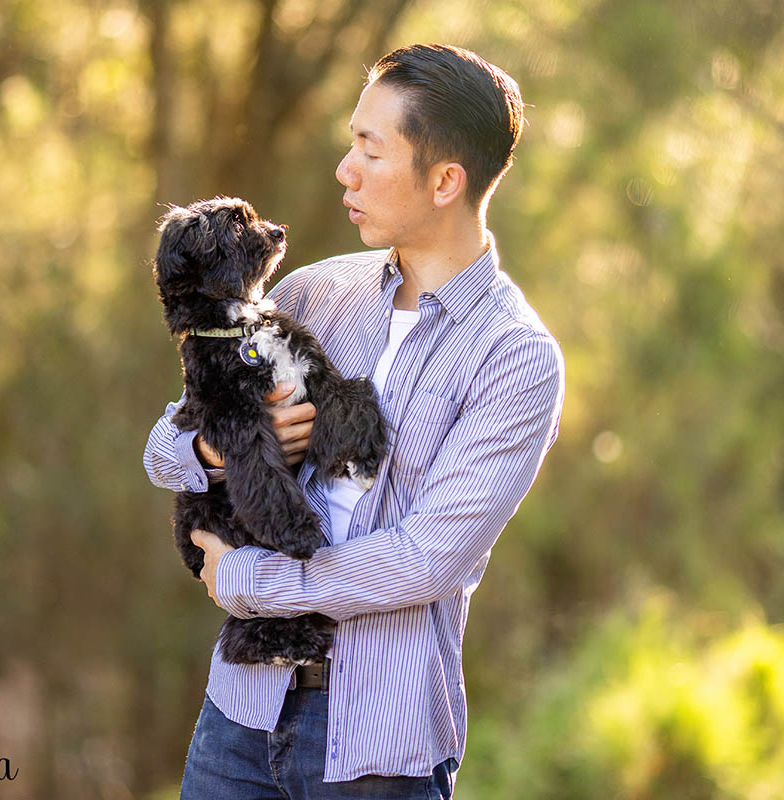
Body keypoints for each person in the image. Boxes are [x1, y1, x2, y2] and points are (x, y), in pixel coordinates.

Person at [144, 42, 564, 800]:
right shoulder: (311, 295)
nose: (346, 169)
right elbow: (164, 446)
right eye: (350, 143)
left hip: (379, 746)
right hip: (239, 712)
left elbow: (425, 559)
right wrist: (221, 446)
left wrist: (249, 579)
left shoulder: (517, 360)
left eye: (371, 149)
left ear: (445, 180)